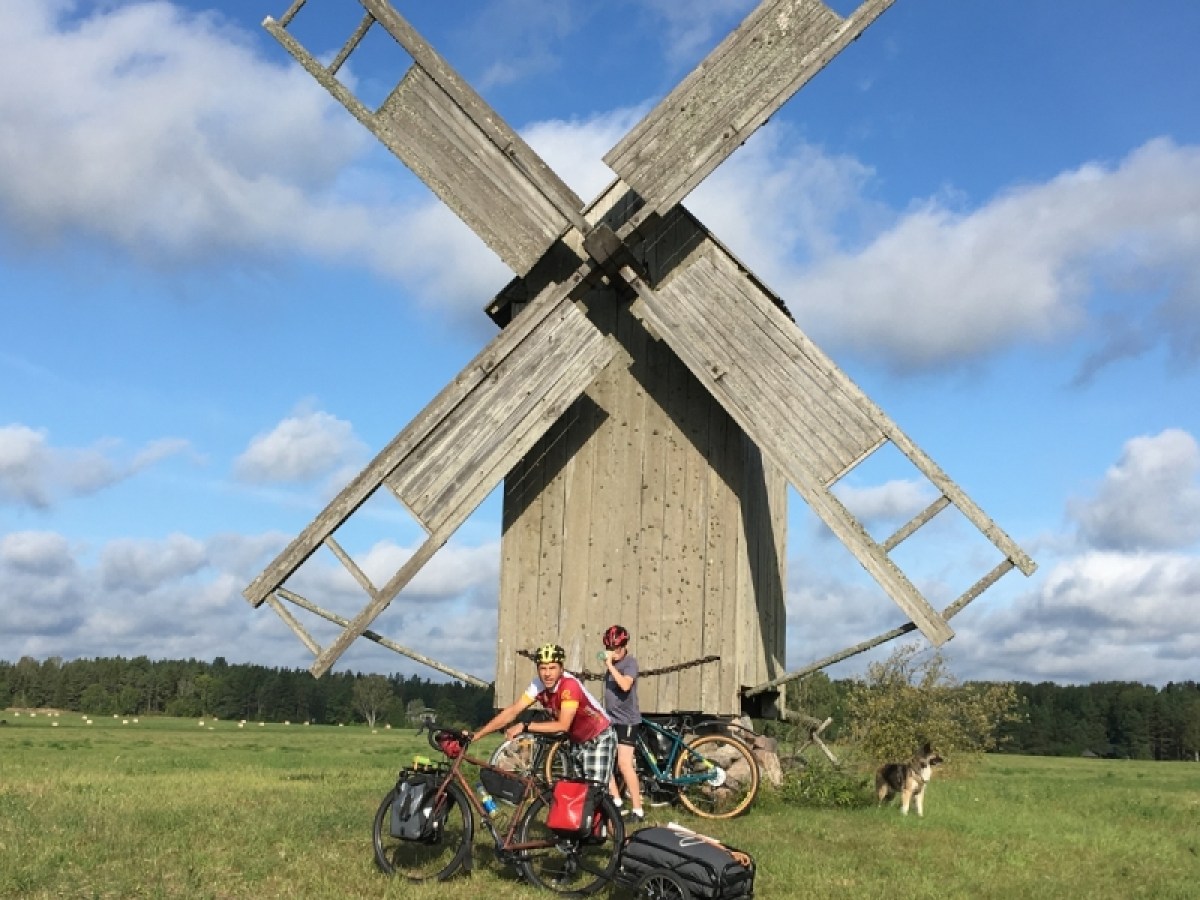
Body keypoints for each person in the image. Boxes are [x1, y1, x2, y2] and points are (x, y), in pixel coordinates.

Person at [473, 643, 616, 787]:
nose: (547, 673)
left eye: (552, 668)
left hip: (598, 737)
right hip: (577, 741)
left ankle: (615, 806)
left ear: (561, 669)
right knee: (580, 794)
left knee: (595, 793)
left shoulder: (569, 686)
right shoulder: (538, 686)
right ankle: (613, 806)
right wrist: (477, 735)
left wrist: (525, 726)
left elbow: (563, 725)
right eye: (543, 668)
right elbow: (512, 711)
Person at [602, 624, 645, 821]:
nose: (613, 653)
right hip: (611, 720)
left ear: (624, 646)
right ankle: (617, 802)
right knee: (605, 761)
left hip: (627, 721)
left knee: (624, 765)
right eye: (609, 649)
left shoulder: (630, 663)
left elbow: (626, 685)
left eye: (616, 649)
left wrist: (610, 666)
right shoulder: (614, 663)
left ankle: (637, 810)